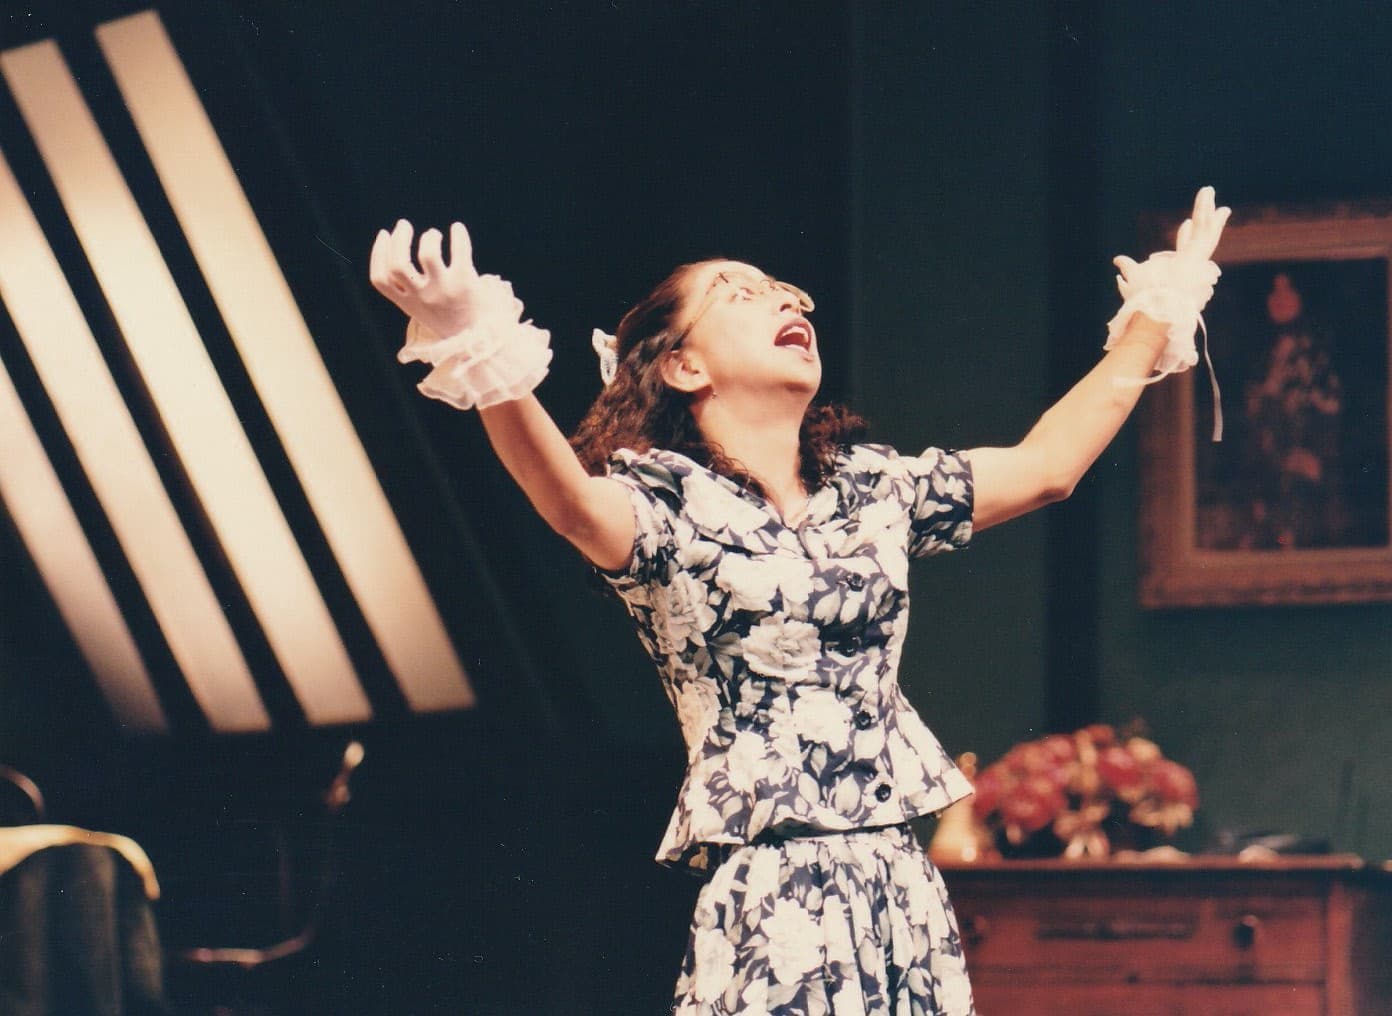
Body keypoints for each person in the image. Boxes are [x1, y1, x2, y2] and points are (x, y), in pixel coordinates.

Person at [369, 188, 1229, 1015]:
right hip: (777, 892)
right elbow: (567, 501)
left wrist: (1159, 312)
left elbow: (1047, 469)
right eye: (740, 293)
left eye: (785, 289)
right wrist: (477, 347)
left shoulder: (872, 488)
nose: (785, 300)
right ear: (683, 364)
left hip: (899, 883)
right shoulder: (666, 505)